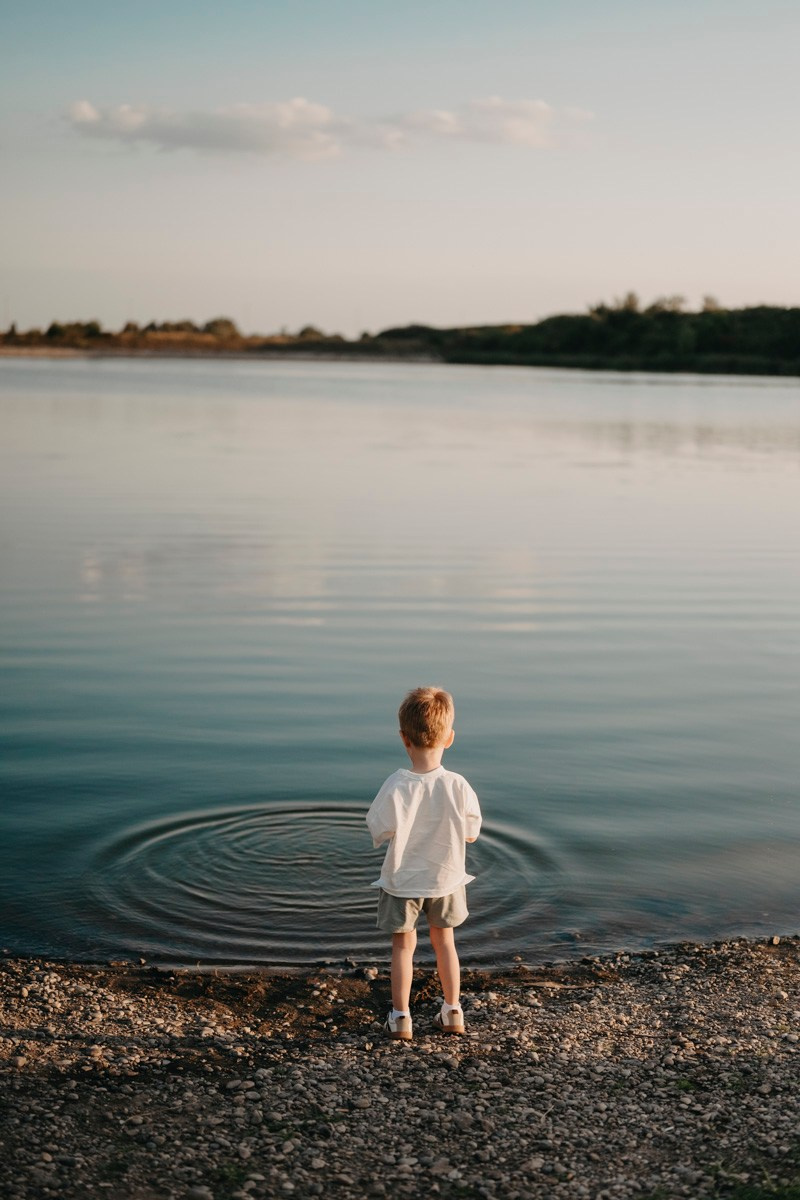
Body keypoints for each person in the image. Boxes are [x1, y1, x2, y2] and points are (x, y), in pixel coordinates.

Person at [366, 686, 482, 1040]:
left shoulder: (397, 784)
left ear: (404, 739)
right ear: (449, 738)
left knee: (403, 946)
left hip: (403, 881)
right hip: (445, 879)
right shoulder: (458, 785)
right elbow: (472, 832)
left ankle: (401, 1017)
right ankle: (452, 1011)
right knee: (445, 942)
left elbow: (379, 829)